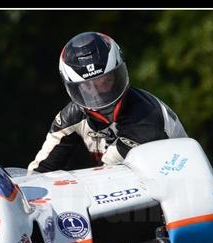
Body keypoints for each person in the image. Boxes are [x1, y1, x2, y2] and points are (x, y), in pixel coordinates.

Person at [28, 32, 188, 173]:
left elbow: (107, 175)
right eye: (87, 87)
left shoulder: (146, 118)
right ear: (75, 89)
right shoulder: (71, 117)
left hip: (176, 185)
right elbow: (39, 171)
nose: (97, 95)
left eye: (105, 81)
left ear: (118, 76)